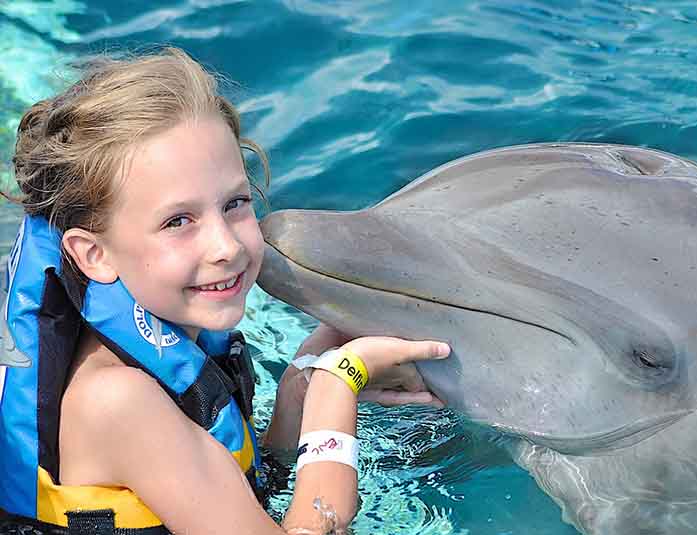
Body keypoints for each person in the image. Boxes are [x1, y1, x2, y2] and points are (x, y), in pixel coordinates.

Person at [0, 47, 449, 535]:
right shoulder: (118, 399)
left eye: (235, 203)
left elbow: (246, 484)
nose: (226, 244)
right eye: (178, 221)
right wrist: (338, 385)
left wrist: (300, 385)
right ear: (94, 255)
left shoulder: (171, 340)